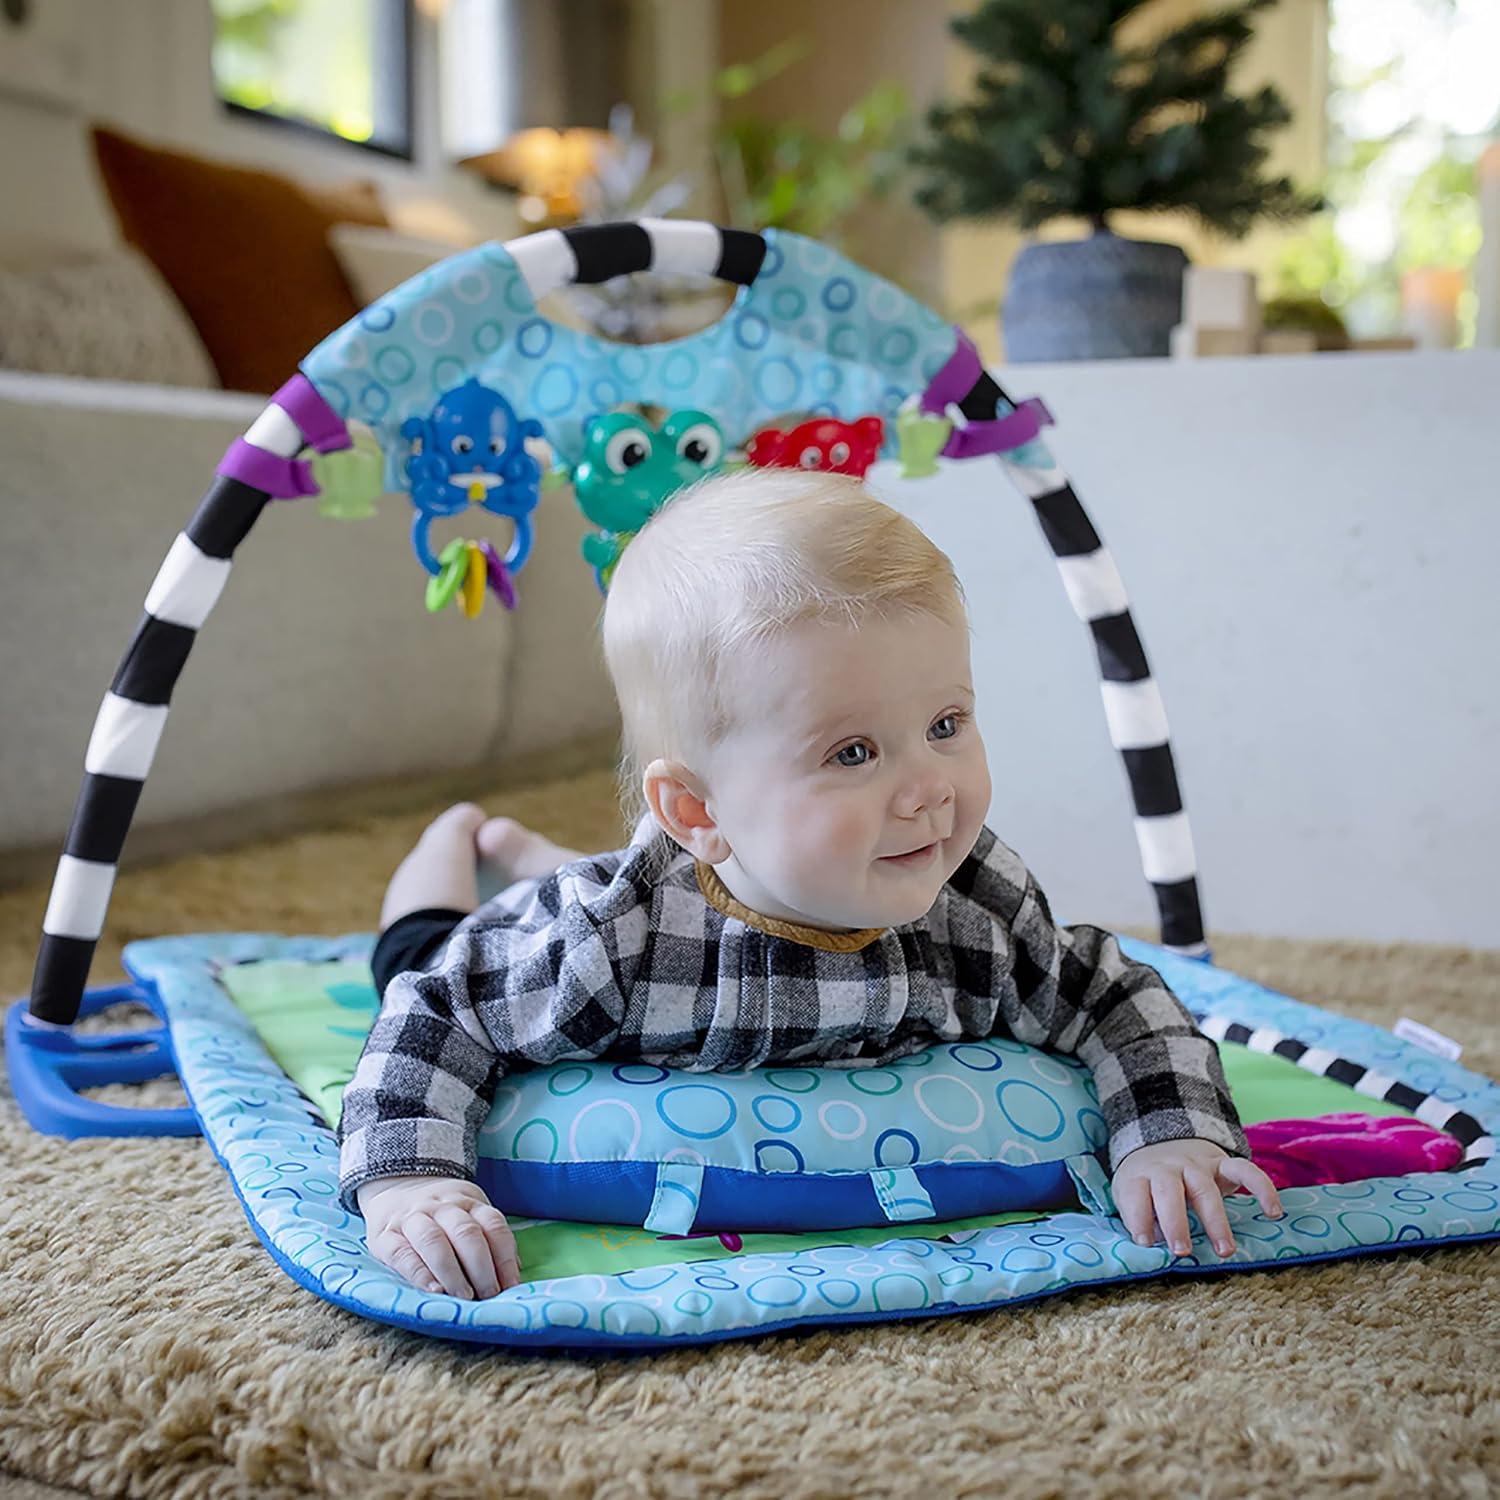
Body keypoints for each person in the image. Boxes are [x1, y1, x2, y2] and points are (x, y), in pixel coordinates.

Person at [338, 466, 1284, 1301]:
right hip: (516, 925)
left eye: (947, 723)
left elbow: (1113, 993)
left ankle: (531, 843)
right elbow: (437, 1011)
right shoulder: (605, 943)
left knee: (567, 880)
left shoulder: (976, 901)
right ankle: (459, 830)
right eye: (855, 751)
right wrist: (408, 1183)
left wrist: (1168, 1132)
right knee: (414, 942)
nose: (929, 790)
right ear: (700, 810)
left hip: (686, 859)